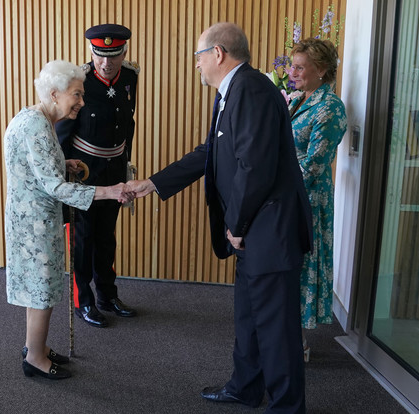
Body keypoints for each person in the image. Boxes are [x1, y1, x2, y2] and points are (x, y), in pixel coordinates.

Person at [127, 22, 311, 413]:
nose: (196, 65)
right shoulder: (235, 91)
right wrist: (155, 183)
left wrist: (237, 225)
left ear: (218, 54)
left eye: (198, 56)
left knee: (276, 330)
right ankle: (245, 387)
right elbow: (209, 152)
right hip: (256, 229)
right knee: (249, 318)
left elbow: (254, 167)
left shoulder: (252, 90)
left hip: (268, 230)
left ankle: (287, 408)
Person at [4, 60, 133, 380]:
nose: (82, 102)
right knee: (42, 292)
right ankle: (34, 358)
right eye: (76, 94)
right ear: (53, 93)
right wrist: (109, 191)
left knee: (38, 290)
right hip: (34, 225)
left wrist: (65, 161)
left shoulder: (34, 116)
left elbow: (41, 167)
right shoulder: (37, 125)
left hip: (32, 219)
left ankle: (36, 346)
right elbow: (55, 188)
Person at [55, 24, 139, 328]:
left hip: (114, 169)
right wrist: (63, 173)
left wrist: (126, 167)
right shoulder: (78, 82)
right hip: (84, 171)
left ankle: (107, 295)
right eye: (99, 55)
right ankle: (84, 300)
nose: (106, 62)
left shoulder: (130, 77)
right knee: (83, 240)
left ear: (123, 53)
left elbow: (126, 124)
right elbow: (62, 132)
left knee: (107, 236)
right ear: (91, 52)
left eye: (113, 56)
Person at [287, 38, 348, 361]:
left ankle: (299, 345)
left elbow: (314, 163)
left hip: (307, 198)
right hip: (288, 194)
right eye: (292, 65)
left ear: (321, 70)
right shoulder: (300, 98)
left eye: (299, 67)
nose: (291, 72)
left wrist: (277, 181)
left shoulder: (330, 107)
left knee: (301, 267)